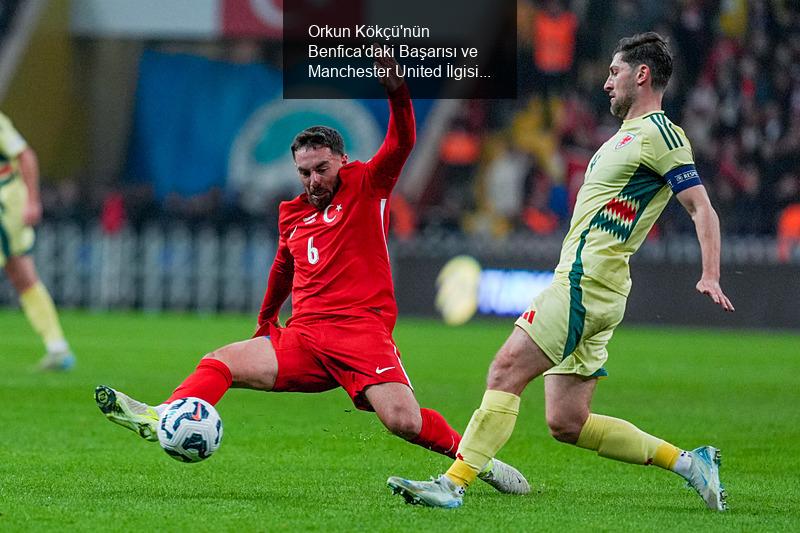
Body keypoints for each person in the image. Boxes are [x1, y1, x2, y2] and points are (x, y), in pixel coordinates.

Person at [93, 55, 529, 495]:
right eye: (305, 172)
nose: (314, 180)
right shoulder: (292, 215)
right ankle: (164, 415)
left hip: (361, 333)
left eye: (322, 169)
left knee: (403, 421)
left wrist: (397, 92)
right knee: (220, 360)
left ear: (342, 159)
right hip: (305, 337)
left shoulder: (367, 184)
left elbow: (403, 142)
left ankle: (480, 464)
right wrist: (266, 320)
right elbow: (283, 268)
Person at [387, 32, 734, 511]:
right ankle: (691, 463)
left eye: (615, 72)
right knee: (567, 421)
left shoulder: (662, 134)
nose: (607, 83)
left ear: (642, 74)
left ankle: (452, 483)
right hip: (591, 283)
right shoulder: (624, 138)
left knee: (505, 369)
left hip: (586, 283)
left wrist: (710, 272)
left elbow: (702, 209)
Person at [0, 111, 75, 370]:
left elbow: (26, 155)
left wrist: (32, 200)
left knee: (21, 273)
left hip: (5, 204)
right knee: (22, 275)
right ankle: (57, 347)